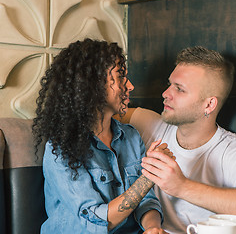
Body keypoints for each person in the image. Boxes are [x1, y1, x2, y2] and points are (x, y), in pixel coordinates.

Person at [115, 46, 236, 233]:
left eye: (180, 89)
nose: (166, 93)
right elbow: (96, 113)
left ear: (209, 104)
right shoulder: (149, 124)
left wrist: (182, 187)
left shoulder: (231, 149)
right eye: (170, 84)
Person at [32, 39, 170, 234]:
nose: (130, 86)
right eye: (121, 77)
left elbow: (146, 200)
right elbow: (95, 221)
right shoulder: (61, 148)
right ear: (93, 85)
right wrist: (148, 178)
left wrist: (153, 227)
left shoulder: (130, 136)